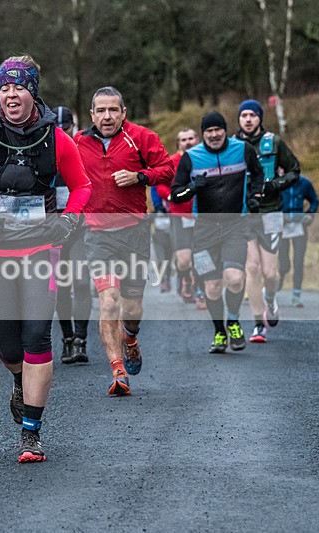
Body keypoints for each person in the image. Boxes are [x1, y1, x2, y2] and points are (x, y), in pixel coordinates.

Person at [0, 56, 91, 462]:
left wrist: (68, 220)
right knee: (9, 348)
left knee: (37, 337)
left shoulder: (57, 138)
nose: (11, 94)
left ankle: (32, 433)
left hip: (42, 246)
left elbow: (82, 187)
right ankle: (19, 380)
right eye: (5, 87)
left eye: (19, 87)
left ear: (33, 92)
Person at [74, 86, 174, 396]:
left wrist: (140, 176)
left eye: (113, 110)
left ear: (123, 113)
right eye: (101, 110)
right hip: (97, 234)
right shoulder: (78, 142)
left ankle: (130, 337)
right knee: (109, 300)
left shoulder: (141, 138)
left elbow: (168, 170)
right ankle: (118, 371)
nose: (107, 116)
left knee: (132, 305)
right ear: (92, 114)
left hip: (134, 232)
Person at [172, 112, 263, 353]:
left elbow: (258, 174)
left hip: (235, 225)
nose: (214, 135)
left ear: (225, 130)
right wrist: (192, 188)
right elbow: (175, 194)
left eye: (218, 130)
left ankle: (233, 321)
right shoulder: (191, 157)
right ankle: (219, 331)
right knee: (212, 287)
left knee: (234, 279)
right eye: (209, 131)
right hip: (204, 230)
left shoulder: (242, 150)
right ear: (203, 134)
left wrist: (254, 196)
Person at [234, 99, 300, 343]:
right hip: (244, 214)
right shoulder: (233, 145)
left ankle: (270, 299)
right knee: (252, 268)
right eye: (244, 115)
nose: (248, 119)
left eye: (253, 114)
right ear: (239, 119)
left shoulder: (273, 142)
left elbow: (294, 170)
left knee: (270, 273)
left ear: (260, 117)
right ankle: (258, 324)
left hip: (270, 211)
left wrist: (275, 185)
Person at [52, 106, 92, 365]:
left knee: (81, 281)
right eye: (57, 129)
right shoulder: (44, 148)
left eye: (65, 127)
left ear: (73, 125)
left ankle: (81, 339)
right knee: (62, 286)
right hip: (53, 229)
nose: (62, 132)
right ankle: (67, 339)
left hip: (79, 226)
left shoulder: (81, 148)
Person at [154, 128, 205, 308]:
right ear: (178, 144)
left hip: (203, 215)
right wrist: (170, 196)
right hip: (179, 215)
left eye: (191, 138)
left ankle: (201, 293)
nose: (188, 142)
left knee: (202, 256)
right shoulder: (172, 162)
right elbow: (160, 184)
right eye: (183, 139)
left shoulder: (204, 159)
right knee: (184, 260)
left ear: (198, 139)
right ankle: (185, 278)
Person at [279, 175, 319, 307]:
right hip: (282, 227)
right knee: (284, 262)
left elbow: (314, 200)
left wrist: (310, 213)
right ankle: (279, 281)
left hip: (299, 226)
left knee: (298, 261)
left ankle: (296, 296)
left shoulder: (304, 183)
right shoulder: (278, 183)